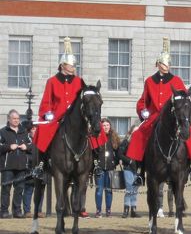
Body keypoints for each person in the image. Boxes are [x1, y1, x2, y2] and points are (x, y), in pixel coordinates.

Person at [126, 37, 191, 186]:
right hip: (154, 117)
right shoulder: (149, 81)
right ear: (158, 64)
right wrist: (143, 111)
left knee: (189, 131)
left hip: (173, 117)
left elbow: (183, 98)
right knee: (139, 134)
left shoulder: (177, 80)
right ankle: (140, 169)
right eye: (164, 64)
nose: (166, 67)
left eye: (168, 64)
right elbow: (142, 101)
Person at [32, 37, 106, 178]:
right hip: (58, 116)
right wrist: (48, 113)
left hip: (76, 116)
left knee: (97, 129)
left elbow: (84, 100)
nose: (74, 67)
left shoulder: (79, 81)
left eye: (74, 65)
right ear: (62, 65)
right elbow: (46, 102)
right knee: (43, 130)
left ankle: (96, 162)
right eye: (71, 65)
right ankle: (41, 164)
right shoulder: (52, 81)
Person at [0, 110, 32, 218]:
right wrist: (8, 147)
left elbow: (32, 145)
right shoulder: (3, 131)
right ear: (9, 119)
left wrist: (26, 147)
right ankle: (4, 211)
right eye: (14, 118)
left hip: (22, 166)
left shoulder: (24, 132)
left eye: (18, 118)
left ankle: (17, 211)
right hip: (7, 166)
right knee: (6, 189)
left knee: (19, 189)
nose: (16, 120)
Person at [94, 118, 120, 218]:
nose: (106, 127)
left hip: (110, 168)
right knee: (99, 190)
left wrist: (115, 163)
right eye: (104, 125)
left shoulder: (114, 137)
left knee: (109, 190)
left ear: (110, 126)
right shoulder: (97, 137)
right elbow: (93, 153)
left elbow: (118, 153)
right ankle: (98, 210)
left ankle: (108, 210)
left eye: (107, 125)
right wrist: (96, 164)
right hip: (99, 167)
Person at [117, 124, 140, 218]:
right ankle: (126, 209)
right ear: (131, 131)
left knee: (135, 189)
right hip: (128, 168)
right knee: (129, 189)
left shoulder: (141, 142)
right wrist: (129, 161)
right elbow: (120, 154)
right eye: (134, 131)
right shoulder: (126, 142)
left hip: (137, 169)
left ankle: (133, 210)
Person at [21, 123, 38, 218]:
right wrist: (28, 147)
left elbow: (37, 147)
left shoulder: (40, 139)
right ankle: (27, 211)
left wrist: (28, 147)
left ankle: (38, 210)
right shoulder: (25, 138)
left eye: (35, 129)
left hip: (40, 167)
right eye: (32, 129)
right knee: (28, 189)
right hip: (29, 167)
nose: (34, 131)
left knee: (40, 190)